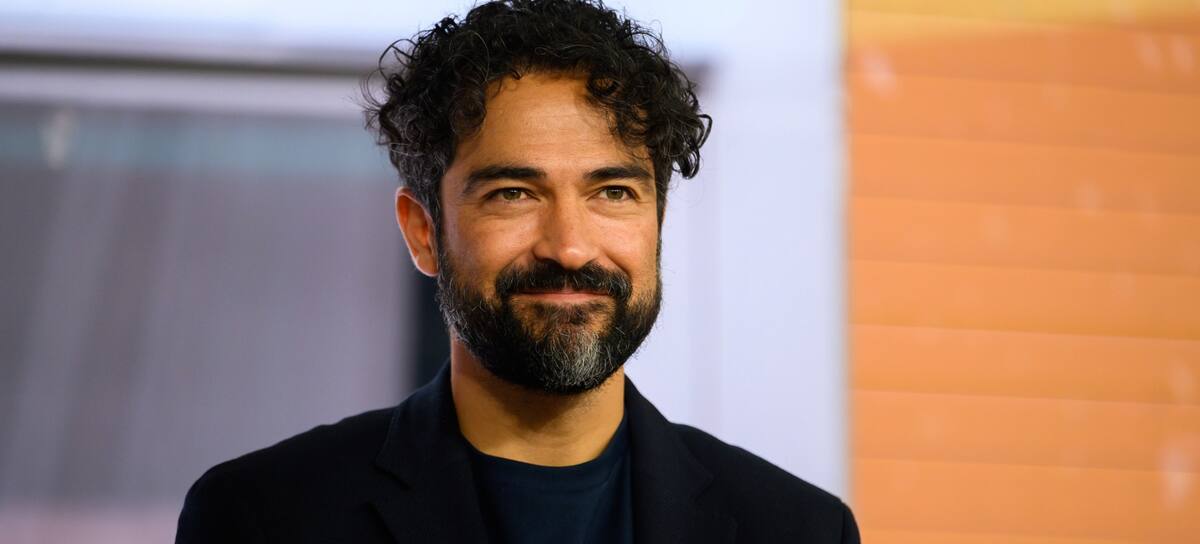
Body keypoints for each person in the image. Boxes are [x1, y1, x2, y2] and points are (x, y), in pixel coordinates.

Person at [175, 1, 859, 542]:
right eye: (514, 194)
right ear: (423, 232)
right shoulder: (265, 517)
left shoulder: (798, 529)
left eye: (612, 192)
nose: (570, 248)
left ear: (657, 221)